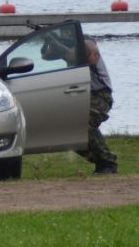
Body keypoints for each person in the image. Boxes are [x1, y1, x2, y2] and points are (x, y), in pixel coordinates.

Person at [42, 30, 118, 174]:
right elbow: (45, 56)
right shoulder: (69, 48)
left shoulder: (88, 44)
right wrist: (48, 41)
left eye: (68, 33)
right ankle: (101, 161)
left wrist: (54, 40)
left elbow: (76, 55)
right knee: (67, 130)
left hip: (100, 95)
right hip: (82, 94)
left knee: (86, 124)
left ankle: (108, 162)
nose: (65, 36)